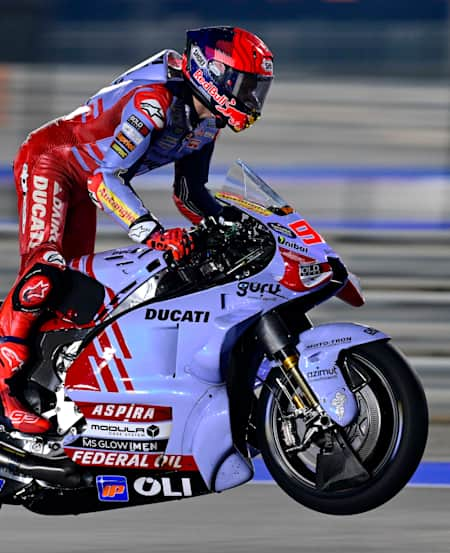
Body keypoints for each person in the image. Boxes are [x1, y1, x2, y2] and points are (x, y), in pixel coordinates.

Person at [0, 26, 274, 434]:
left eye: (258, 88)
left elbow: (189, 192)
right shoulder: (154, 102)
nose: (251, 98)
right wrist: (152, 233)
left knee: (73, 290)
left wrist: (232, 225)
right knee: (48, 268)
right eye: (244, 84)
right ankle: (4, 389)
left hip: (84, 178)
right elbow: (104, 180)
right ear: (212, 75)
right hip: (51, 163)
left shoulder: (206, 122)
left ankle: (41, 382)